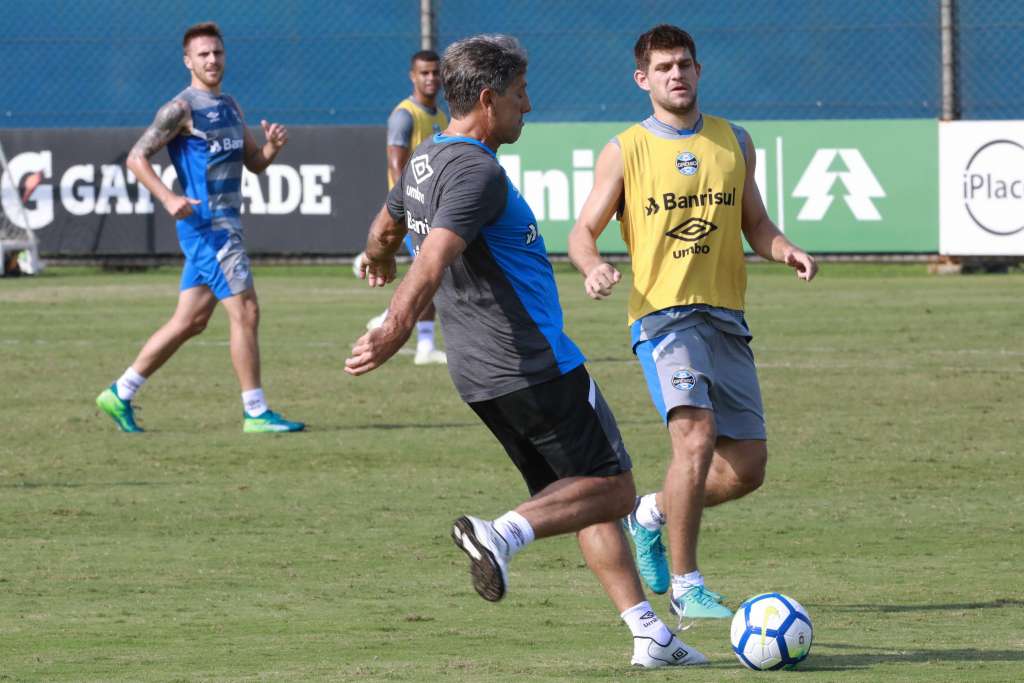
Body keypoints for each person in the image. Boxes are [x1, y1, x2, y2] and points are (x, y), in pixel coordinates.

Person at [345, 34, 706, 668]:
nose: (528, 105)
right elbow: (432, 258)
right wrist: (396, 326)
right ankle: (501, 534)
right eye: (519, 93)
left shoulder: (427, 158)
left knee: (575, 496)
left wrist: (377, 257)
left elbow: (385, 226)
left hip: (479, 376)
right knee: (615, 491)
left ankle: (649, 633)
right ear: (488, 100)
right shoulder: (477, 171)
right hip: (534, 364)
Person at [568, 24, 818, 622]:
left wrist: (786, 249)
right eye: (663, 67)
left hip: (726, 317)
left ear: (698, 70)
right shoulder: (626, 149)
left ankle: (649, 513)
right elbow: (582, 231)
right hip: (664, 318)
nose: (675, 74)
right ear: (642, 79)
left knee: (748, 468)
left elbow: (755, 223)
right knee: (696, 439)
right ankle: (687, 586)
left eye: (683, 64)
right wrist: (593, 266)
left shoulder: (735, 140)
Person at [95, 21, 304, 434]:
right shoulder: (180, 109)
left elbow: (254, 163)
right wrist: (168, 198)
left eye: (217, 52)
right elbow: (136, 158)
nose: (212, 60)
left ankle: (120, 392)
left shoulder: (230, 105)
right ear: (187, 61)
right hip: (209, 227)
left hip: (224, 224)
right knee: (246, 311)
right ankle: (256, 412)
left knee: (190, 321)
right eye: (203, 54)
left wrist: (272, 148)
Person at [354, 50, 448, 365]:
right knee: (431, 270)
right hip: (412, 212)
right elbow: (397, 166)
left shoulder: (440, 115)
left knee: (433, 271)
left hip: (431, 209)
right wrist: (411, 205)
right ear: (412, 76)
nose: (431, 78)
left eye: (435, 72)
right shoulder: (404, 115)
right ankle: (410, 334)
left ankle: (415, 339)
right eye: (424, 73)